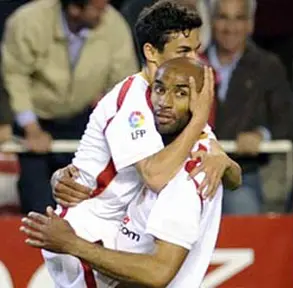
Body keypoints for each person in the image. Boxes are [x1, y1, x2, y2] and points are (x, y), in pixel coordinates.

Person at [21, 1, 241, 287]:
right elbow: (155, 176)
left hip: (118, 233)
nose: (195, 60)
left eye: (197, 50)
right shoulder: (133, 103)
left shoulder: (170, 100)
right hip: (84, 229)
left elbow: (231, 177)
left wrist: (223, 161)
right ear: (151, 52)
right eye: (184, 51)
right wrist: (199, 121)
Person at [1, 0, 139, 214]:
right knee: (39, 206)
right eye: (97, 9)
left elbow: (123, 84)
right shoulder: (28, 22)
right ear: (75, 8)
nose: (105, 14)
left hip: (82, 120)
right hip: (34, 121)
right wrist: (31, 128)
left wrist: (119, 130)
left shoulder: (114, 25)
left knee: (83, 204)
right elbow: (15, 77)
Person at [201, 0, 293, 214]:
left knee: (244, 207)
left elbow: (286, 120)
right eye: (223, 17)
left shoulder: (269, 66)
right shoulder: (194, 64)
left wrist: (262, 135)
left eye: (239, 19)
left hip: (243, 172)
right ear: (212, 22)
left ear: (250, 24)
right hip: (196, 171)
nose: (230, 27)